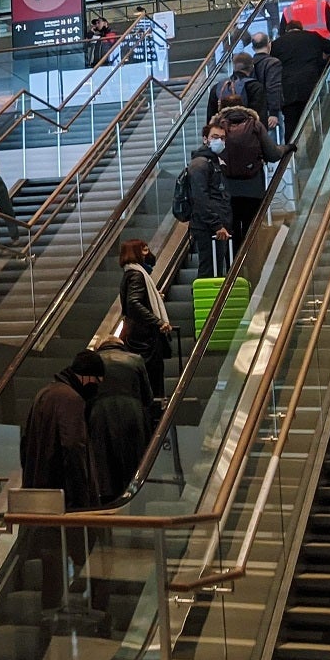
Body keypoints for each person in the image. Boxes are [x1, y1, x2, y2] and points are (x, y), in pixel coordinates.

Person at [20, 346, 105, 610]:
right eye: (97, 380)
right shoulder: (71, 400)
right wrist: (82, 501)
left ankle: (49, 610)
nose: (98, 386)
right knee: (91, 557)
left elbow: (25, 444)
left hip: (40, 495)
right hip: (65, 499)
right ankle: (91, 609)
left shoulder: (44, 394)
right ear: (86, 377)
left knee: (51, 558)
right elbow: (73, 448)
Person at [87, 336, 158, 501]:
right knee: (134, 461)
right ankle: (135, 499)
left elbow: (86, 393)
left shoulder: (93, 361)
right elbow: (148, 397)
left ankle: (107, 505)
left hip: (100, 414)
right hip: (133, 414)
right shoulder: (136, 359)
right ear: (121, 345)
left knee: (104, 464)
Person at [212, 100, 283, 241]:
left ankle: (233, 261)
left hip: (226, 190)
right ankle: (249, 261)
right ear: (243, 106)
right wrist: (286, 148)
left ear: (221, 108)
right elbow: (273, 154)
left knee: (230, 231)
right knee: (250, 230)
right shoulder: (255, 125)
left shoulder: (216, 128)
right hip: (253, 188)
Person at [117, 237, 173, 398]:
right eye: (144, 249)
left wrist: (153, 298)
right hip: (145, 337)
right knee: (153, 378)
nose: (147, 253)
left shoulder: (130, 273)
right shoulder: (136, 275)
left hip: (136, 333)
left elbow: (135, 301)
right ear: (135, 252)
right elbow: (133, 303)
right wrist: (158, 321)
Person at [184, 122, 234, 280]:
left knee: (216, 270)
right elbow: (200, 198)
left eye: (222, 138)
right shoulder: (200, 164)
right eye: (215, 137)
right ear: (205, 139)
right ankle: (204, 304)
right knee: (208, 271)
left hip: (217, 224)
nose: (219, 141)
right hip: (208, 227)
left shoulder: (214, 163)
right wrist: (216, 224)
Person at [271, 16, 330, 137]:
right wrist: (321, 61)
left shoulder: (276, 44)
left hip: (288, 89)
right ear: (301, 29)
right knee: (316, 117)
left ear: (286, 30)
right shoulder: (312, 37)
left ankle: (290, 153)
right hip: (310, 85)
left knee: (290, 124)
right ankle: (318, 147)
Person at [206, 52, 265, 125]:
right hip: (247, 132)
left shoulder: (217, 87)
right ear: (251, 67)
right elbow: (260, 117)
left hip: (223, 132)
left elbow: (210, 117)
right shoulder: (255, 87)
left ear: (234, 67)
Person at [248, 31, 286, 136]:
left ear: (253, 48)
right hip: (268, 111)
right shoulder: (273, 63)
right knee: (271, 143)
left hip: (252, 110)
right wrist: (273, 113)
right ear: (269, 44)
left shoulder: (248, 65)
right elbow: (273, 87)